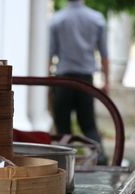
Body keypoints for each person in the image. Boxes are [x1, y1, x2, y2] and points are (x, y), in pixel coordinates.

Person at [49, 0, 109, 165]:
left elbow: (50, 54)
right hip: (85, 81)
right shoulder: (96, 19)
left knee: (62, 126)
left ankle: (64, 164)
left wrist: (47, 81)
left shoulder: (57, 20)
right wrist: (106, 80)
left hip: (63, 80)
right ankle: (101, 158)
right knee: (88, 124)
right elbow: (104, 54)